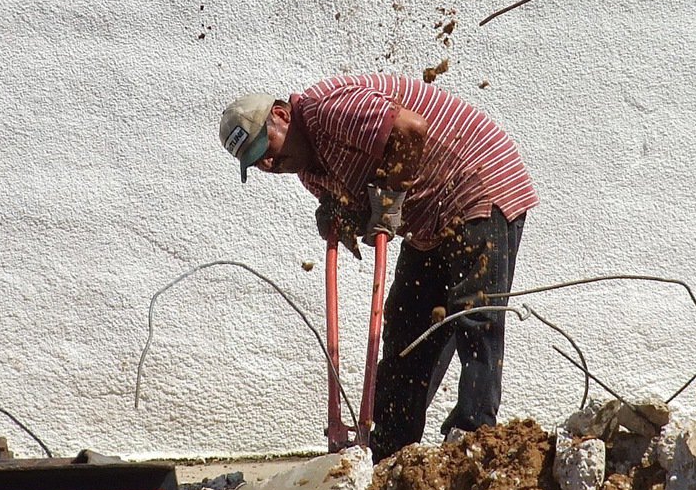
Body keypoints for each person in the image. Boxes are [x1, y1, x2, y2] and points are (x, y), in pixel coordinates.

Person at [218, 73, 537, 461]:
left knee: (475, 316)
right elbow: (359, 203)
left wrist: (388, 199)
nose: (270, 162)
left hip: (478, 185)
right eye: (257, 162)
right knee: (406, 327)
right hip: (428, 222)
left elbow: (410, 129)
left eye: (265, 147)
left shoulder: (327, 111)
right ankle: (389, 451)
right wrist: (340, 213)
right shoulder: (308, 168)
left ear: (283, 115)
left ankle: (473, 442)